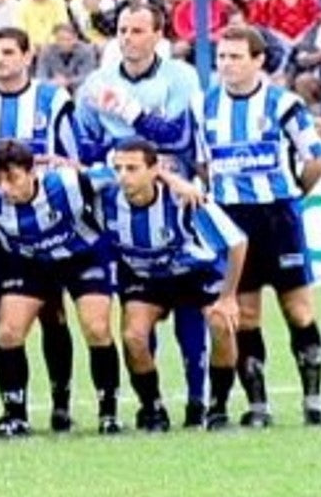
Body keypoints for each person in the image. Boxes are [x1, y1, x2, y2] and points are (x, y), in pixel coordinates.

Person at [75, 2, 211, 427]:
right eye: (122, 30)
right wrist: (122, 160)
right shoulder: (96, 83)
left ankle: (197, 402)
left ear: (158, 35)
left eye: (137, 30)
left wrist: (130, 116)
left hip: (176, 198)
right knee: (137, 314)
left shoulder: (181, 76)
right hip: (124, 195)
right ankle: (150, 406)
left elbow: (181, 136)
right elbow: (86, 145)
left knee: (191, 310)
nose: (128, 38)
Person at [0, 140, 121, 437]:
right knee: (7, 332)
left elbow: (116, 174)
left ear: (33, 171)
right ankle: (16, 416)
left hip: (80, 256)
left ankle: (108, 414)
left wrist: (175, 181)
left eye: (12, 178)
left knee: (96, 328)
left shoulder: (68, 183)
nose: (4, 188)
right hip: (29, 262)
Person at [198, 25, 321, 427]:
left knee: (298, 310)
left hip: (278, 217)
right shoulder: (203, 105)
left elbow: (317, 159)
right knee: (247, 315)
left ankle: (313, 401)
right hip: (233, 221)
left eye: (236, 56)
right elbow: (204, 164)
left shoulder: (283, 103)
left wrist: (291, 198)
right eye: (222, 56)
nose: (227, 64)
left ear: (258, 60)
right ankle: (259, 406)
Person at [0, 26, 80, 432]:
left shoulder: (53, 100)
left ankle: (62, 402)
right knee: (5, 320)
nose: (0, 59)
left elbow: (70, 161)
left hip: (49, 223)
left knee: (54, 316)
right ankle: (15, 412)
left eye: (8, 51)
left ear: (28, 56)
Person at [100, 137, 247, 432]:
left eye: (132, 168)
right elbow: (73, 171)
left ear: (154, 169)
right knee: (133, 336)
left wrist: (228, 297)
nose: (124, 176)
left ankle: (217, 407)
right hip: (145, 277)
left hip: (194, 273)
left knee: (221, 324)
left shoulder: (184, 200)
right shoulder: (104, 194)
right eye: (119, 168)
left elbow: (237, 242)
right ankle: (152, 408)